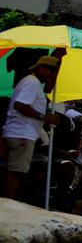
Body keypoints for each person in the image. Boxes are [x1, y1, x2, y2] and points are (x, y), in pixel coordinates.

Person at [3, 56, 61, 200]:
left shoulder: (32, 82)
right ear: (40, 68)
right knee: (16, 172)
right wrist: (43, 117)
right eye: (50, 70)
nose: (51, 73)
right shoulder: (32, 83)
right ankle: (7, 204)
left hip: (20, 132)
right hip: (22, 134)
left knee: (15, 171)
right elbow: (20, 105)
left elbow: (48, 88)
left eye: (54, 71)